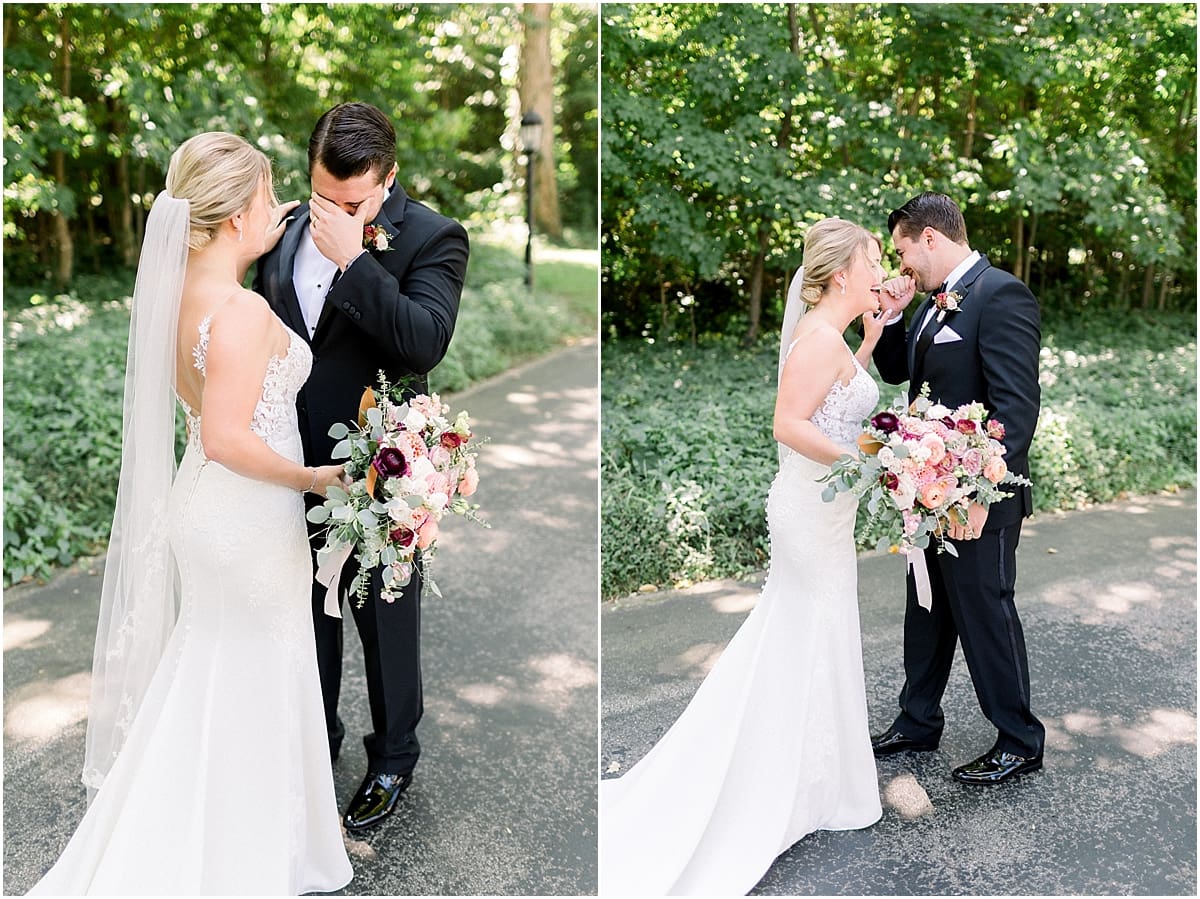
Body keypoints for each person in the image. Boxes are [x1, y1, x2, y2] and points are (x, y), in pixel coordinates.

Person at [29, 132, 353, 894]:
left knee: (214, 664)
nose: (279, 208)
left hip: (210, 508)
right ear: (240, 212)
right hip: (244, 513)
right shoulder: (237, 310)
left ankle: (209, 827)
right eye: (269, 195)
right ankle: (239, 850)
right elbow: (226, 435)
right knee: (255, 665)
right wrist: (313, 475)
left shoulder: (179, 298)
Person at [599, 218, 890, 896]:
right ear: (843, 270)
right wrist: (864, 461)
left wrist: (871, 346)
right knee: (806, 627)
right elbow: (788, 424)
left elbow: (839, 403)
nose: (881, 272)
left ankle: (821, 778)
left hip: (828, 508)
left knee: (817, 628)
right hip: (810, 512)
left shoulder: (836, 337)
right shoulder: (818, 339)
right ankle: (785, 781)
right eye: (873, 260)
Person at [255, 101, 470, 830]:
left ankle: (392, 758)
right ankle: (319, 740)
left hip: (382, 473)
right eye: (322, 194)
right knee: (302, 613)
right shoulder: (280, 232)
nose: (331, 210)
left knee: (385, 619)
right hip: (290, 461)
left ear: (388, 179)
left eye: (350, 201)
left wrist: (354, 257)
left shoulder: (435, 237)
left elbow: (422, 341)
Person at [871, 191, 1045, 785]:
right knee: (926, 608)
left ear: (930, 239)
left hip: (978, 499)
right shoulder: (926, 305)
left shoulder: (1001, 295)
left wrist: (977, 494)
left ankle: (1020, 739)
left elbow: (1016, 410)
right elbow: (898, 372)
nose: (901, 266)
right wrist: (893, 314)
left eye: (902, 252)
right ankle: (918, 720)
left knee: (984, 612)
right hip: (926, 490)